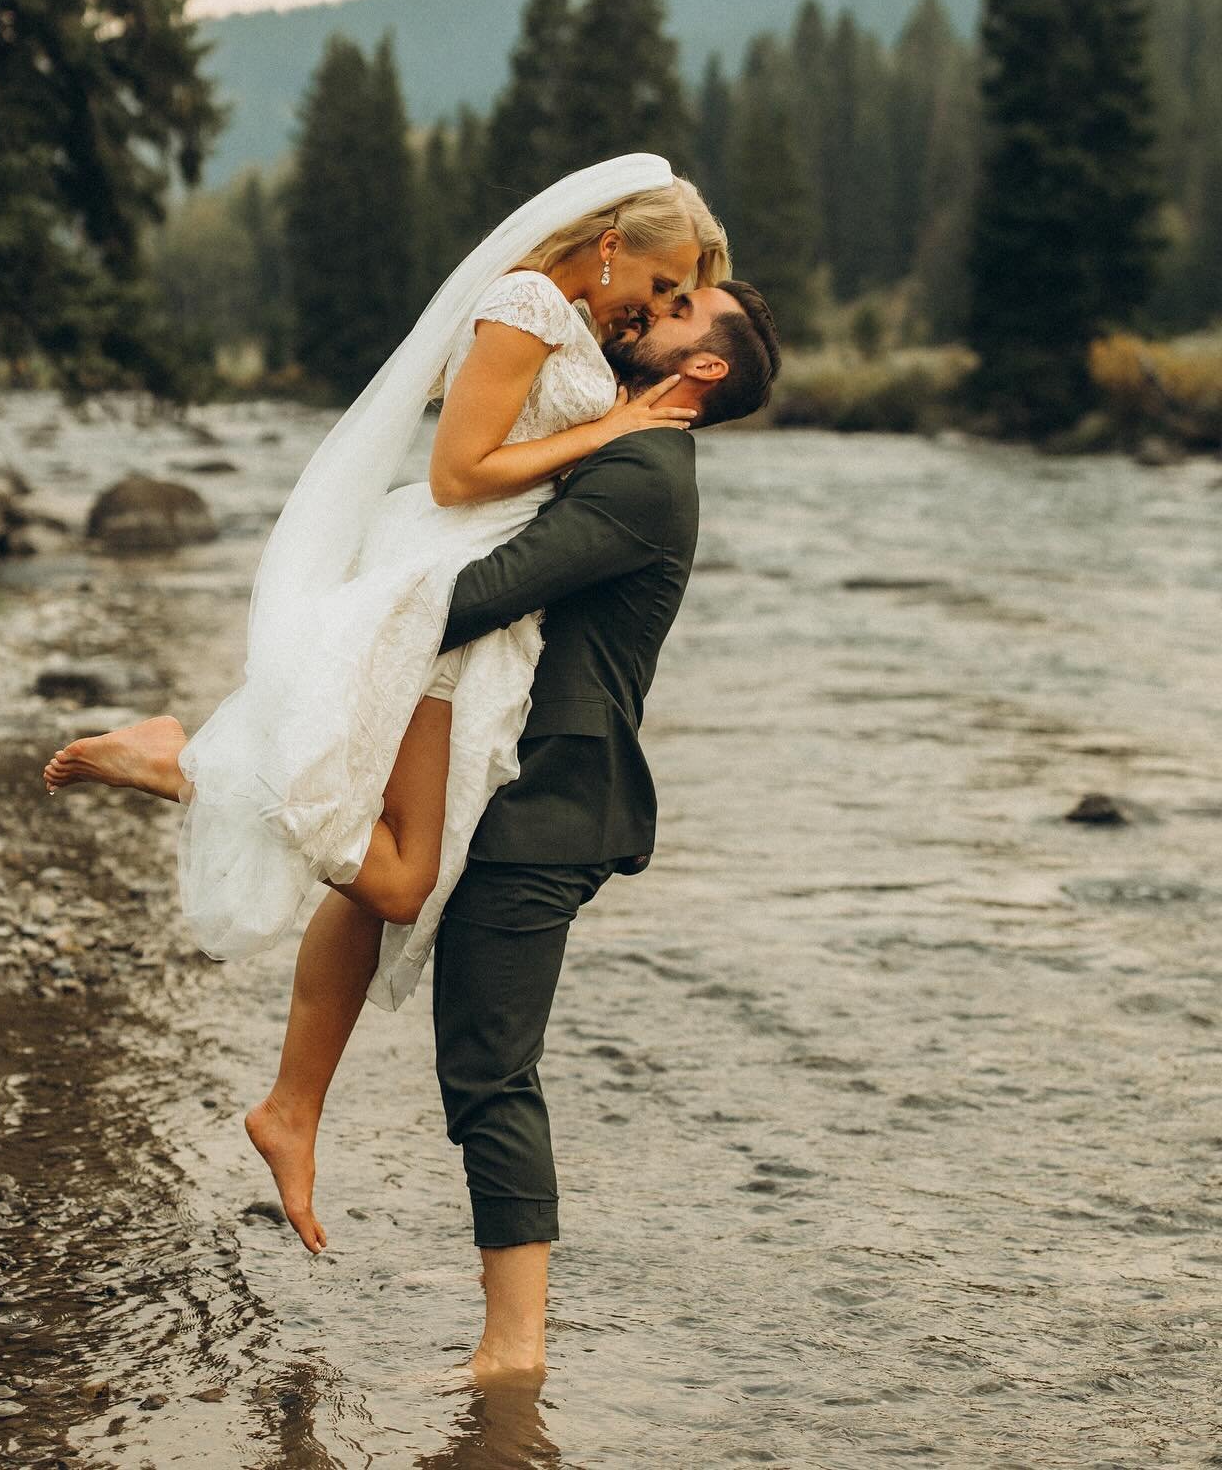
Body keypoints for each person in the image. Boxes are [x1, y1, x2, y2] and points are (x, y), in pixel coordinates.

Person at [244, 279, 780, 1383]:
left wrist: (335, 598)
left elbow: (484, 593)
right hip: (521, 779)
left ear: (706, 368)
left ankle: (515, 1355)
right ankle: (294, 1109)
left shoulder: (642, 473)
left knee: (490, 1070)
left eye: (680, 308)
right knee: (378, 898)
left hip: (552, 802)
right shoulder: (621, 445)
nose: (655, 307)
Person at [41, 156, 719, 1007]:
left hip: (473, 605)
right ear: (612, 245)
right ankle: (182, 767)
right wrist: (605, 433)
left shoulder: (565, 315)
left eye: (674, 300)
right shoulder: (528, 303)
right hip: (438, 588)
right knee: (401, 880)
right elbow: (458, 474)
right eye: (661, 284)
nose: (657, 309)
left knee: (395, 868)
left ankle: (291, 1108)